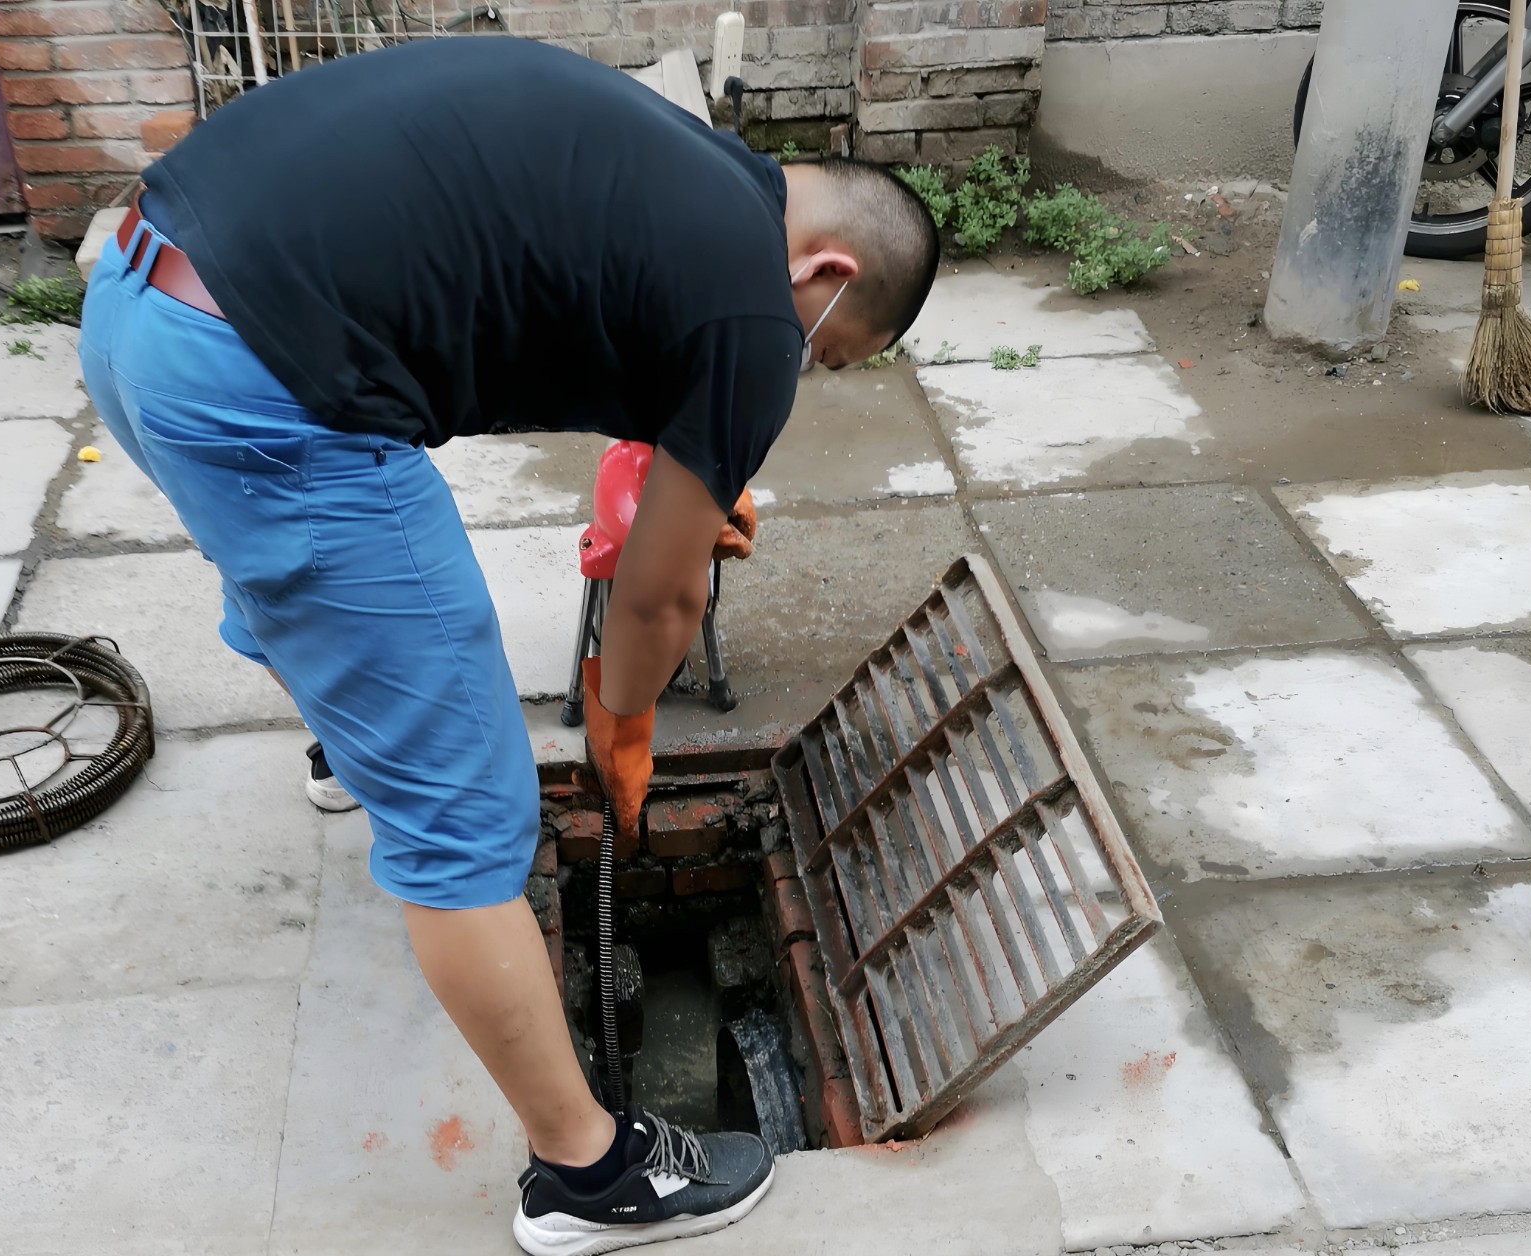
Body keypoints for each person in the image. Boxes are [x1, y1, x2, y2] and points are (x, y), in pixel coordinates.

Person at [76, 34, 938, 1255]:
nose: (796, 365)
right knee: (471, 816)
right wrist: (621, 732)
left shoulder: (679, 167)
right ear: (827, 269)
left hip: (139, 303)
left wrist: (688, 467)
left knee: (300, 579)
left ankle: (353, 739)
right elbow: (654, 604)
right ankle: (589, 1174)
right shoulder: (751, 309)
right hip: (263, 385)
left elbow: (598, 344)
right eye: (825, 345)